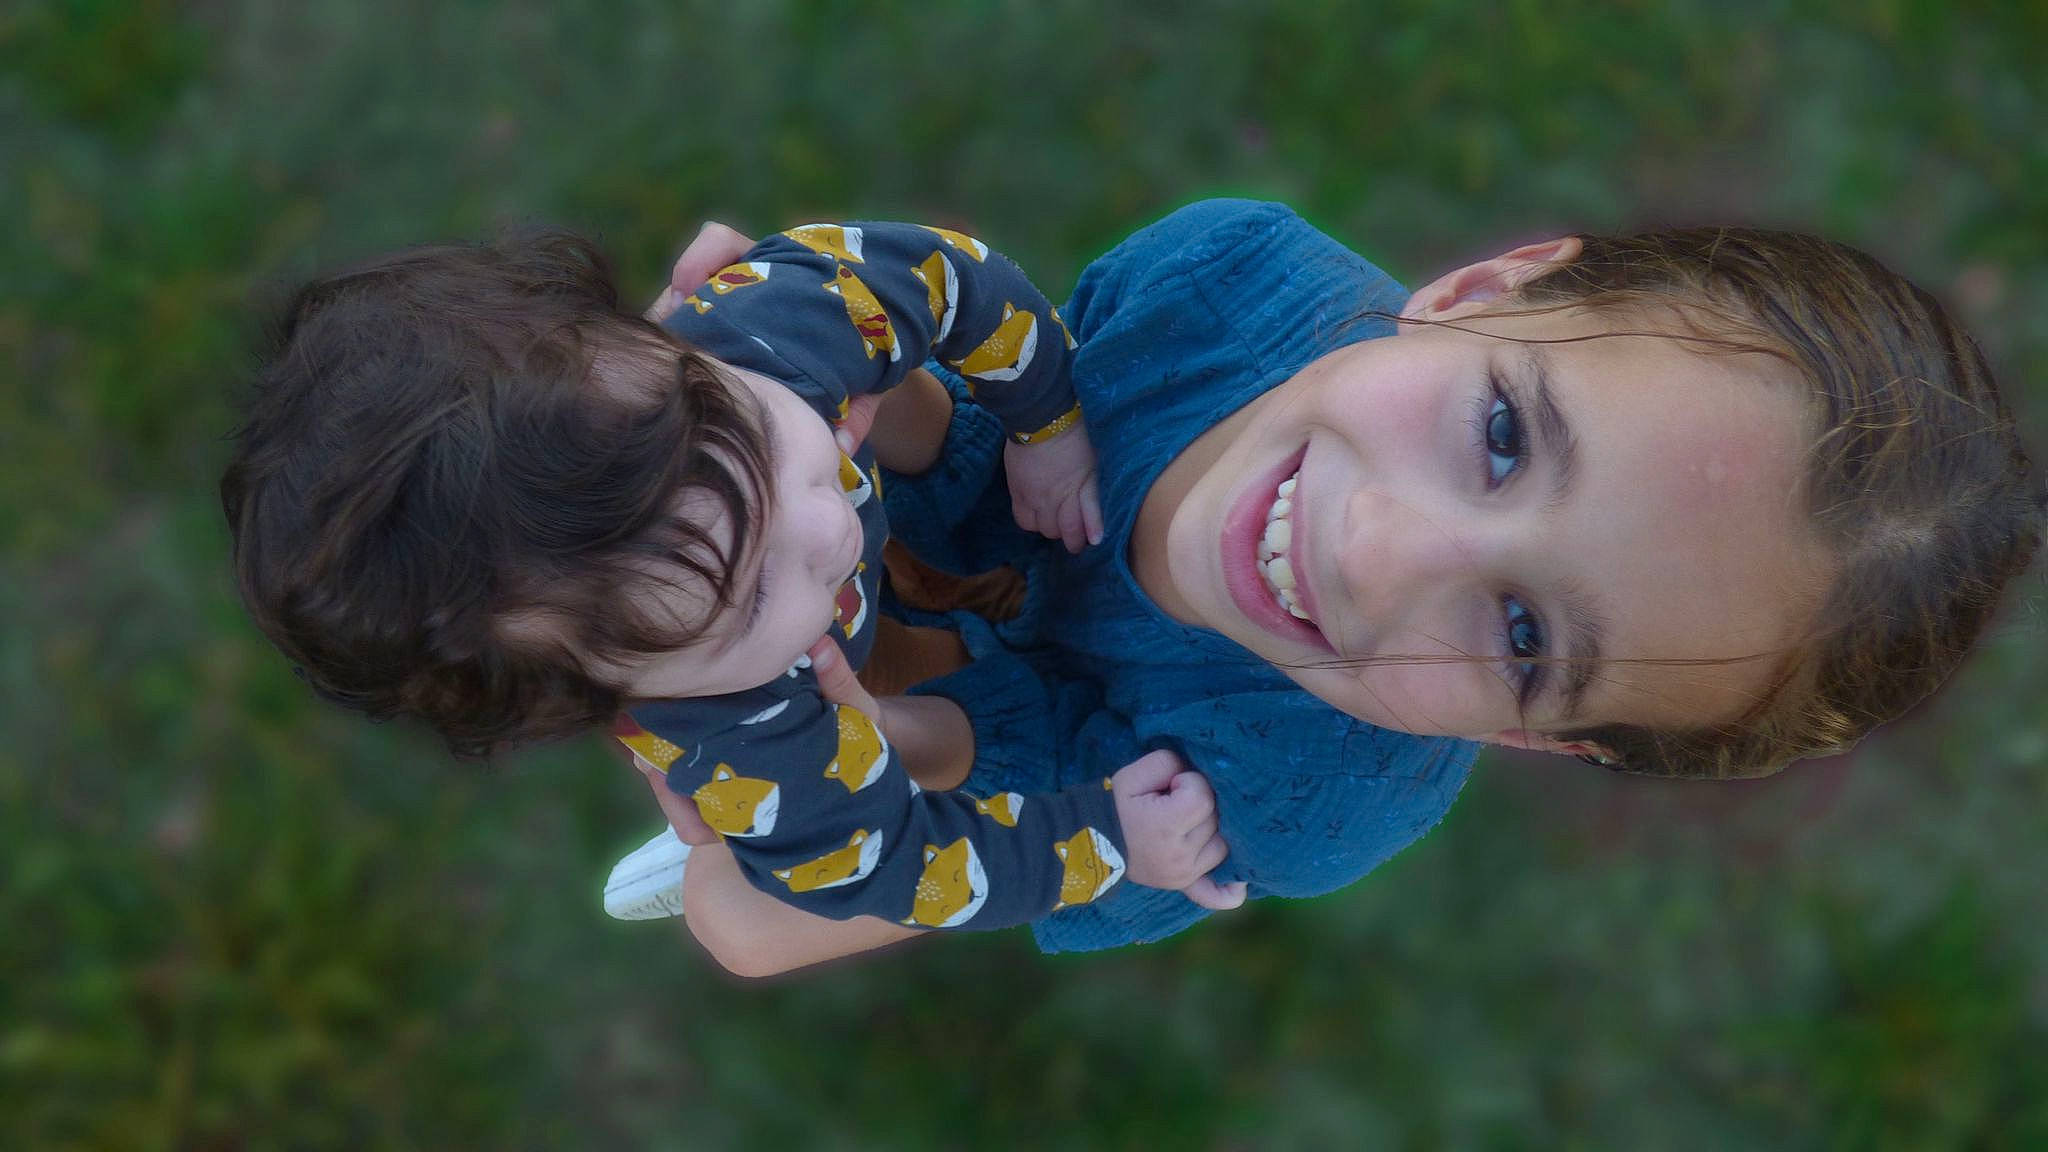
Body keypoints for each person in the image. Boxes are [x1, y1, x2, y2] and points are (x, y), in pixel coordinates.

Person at [642, 199, 2045, 977]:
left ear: (1527, 738)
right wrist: (786, 386)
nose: (1375, 549)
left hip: (955, 762)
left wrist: (765, 746)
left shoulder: (1303, 792)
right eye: (1502, 435)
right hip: (924, 535)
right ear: (1484, 287)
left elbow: (751, 924)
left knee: (738, 873)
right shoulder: (1222, 286)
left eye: (1519, 632)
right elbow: (991, 404)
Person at [220, 221, 1240, 938]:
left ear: (652, 347)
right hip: (825, 749)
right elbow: (917, 868)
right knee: (860, 807)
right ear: (608, 688)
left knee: (896, 490)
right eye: (746, 596)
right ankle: (741, 855)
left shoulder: (762, 329)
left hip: (892, 499)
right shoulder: (749, 750)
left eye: (754, 437)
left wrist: (1044, 421)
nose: (823, 524)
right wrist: (1105, 839)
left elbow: (945, 281)